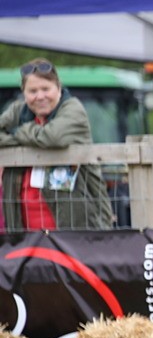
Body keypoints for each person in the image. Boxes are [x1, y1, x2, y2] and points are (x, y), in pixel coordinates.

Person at [0, 58, 114, 230]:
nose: (40, 96)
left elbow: (53, 138)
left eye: (46, 89)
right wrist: (24, 140)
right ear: (24, 93)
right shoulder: (19, 110)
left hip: (74, 231)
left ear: (59, 88)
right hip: (23, 232)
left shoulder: (73, 109)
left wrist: (17, 133)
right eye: (32, 91)